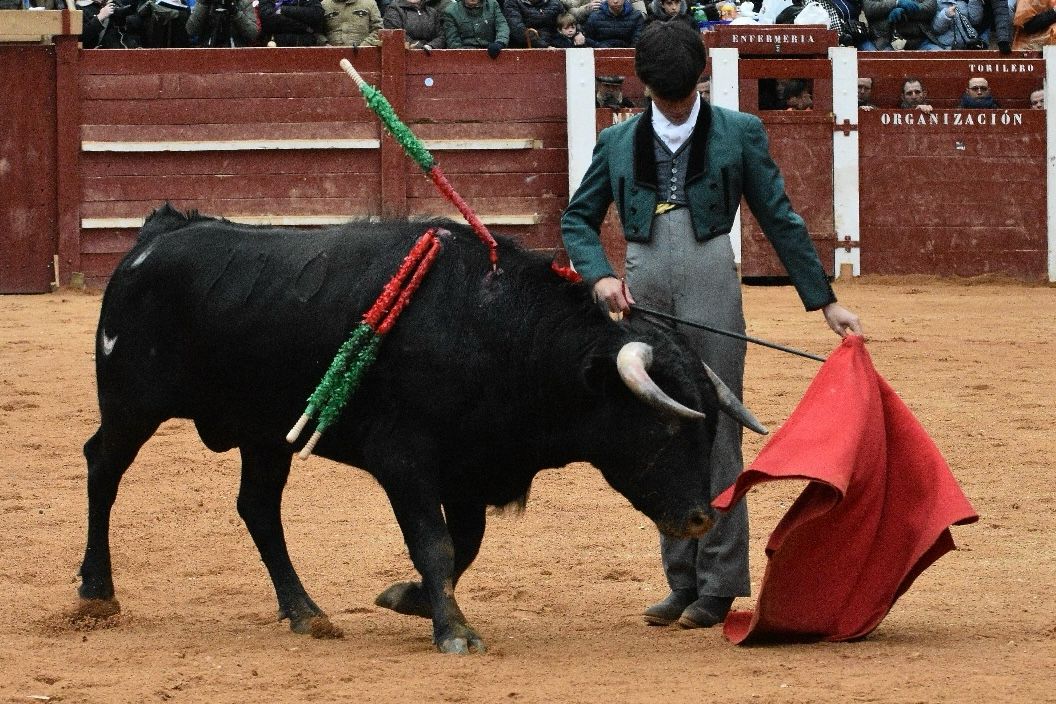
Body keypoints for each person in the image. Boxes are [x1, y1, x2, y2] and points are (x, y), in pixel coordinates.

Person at [561, 20, 862, 630]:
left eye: (681, 95)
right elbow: (577, 220)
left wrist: (823, 300)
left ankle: (720, 582)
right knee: (661, 428)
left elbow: (779, 217)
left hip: (710, 280)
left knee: (721, 426)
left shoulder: (739, 132)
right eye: (663, 96)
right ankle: (681, 580)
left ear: (700, 76)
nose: (673, 106)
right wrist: (599, 276)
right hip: (643, 285)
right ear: (645, 85)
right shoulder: (617, 143)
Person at [863, 0, 943, 49]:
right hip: (885, 40)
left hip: (919, 40)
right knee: (888, 69)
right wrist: (896, 3)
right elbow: (870, 8)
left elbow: (929, 9)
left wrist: (904, 11)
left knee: (942, 62)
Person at [442, 0, 509, 56]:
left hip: (492, 51)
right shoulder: (450, 11)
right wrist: (467, 55)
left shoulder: (493, 4)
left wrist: (500, 42)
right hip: (465, 55)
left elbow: (502, 25)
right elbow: (453, 41)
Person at [187, 0, 260, 46]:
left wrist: (235, 11)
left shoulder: (243, 2)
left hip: (236, 54)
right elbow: (191, 30)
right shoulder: (204, 2)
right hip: (208, 52)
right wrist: (204, 4)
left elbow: (253, 33)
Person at [259, 0, 326, 45]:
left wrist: (283, 10)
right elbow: (268, 19)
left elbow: (317, 14)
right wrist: (304, 27)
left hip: (305, 43)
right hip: (275, 43)